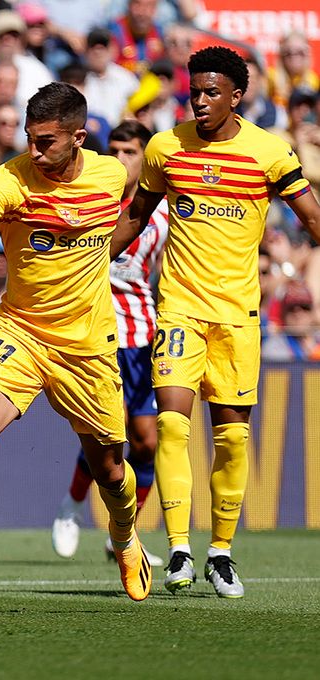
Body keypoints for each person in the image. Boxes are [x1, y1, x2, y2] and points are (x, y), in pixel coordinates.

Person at [0, 82, 150, 609]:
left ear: (78, 138)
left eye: (46, 141)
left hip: (87, 346)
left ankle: (127, 538)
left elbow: (134, 217)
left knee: (109, 467)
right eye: (29, 139)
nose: (35, 151)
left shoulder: (112, 176)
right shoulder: (8, 179)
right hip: (20, 331)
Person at [111, 46, 320, 598]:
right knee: (173, 425)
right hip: (179, 307)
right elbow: (136, 216)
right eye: (194, 92)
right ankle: (179, 548)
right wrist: (88, 257)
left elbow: (313, 218)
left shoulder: (270, 153)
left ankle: (221, 552)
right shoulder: (166, 147)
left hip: (239, 318)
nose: (199, 102)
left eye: (211, 93)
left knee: (231, 437)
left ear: (236, 96)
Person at [51, 120, 169, 566]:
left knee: (147, 444)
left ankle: (124, 534)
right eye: (114, 150)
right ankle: (72, 507)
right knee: (109, 430)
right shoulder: (92, 197)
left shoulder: (163, 213)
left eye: (129, 152)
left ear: (146, 159)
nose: (119, 160)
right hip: (95, 332)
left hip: (141, 334)